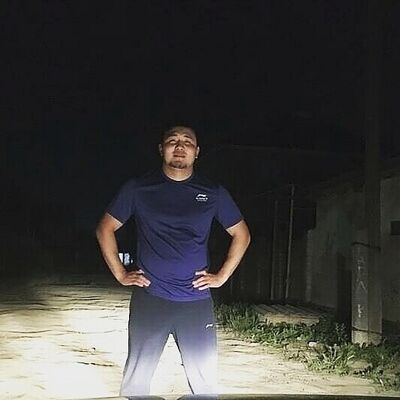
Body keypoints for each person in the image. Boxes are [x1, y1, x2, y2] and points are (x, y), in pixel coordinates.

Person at [96, 126, 251, 396]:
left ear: (197, 152)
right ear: (161, 149)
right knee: (137, 384)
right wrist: (120, 273)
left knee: (204, 386)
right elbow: (104, 229)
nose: (180, 146)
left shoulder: (212, 192)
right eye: (172, 141)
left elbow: (242, 234)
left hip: (195, 302)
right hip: (150, 299)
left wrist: (222, 276)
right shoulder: (138, 188)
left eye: (187, 142)